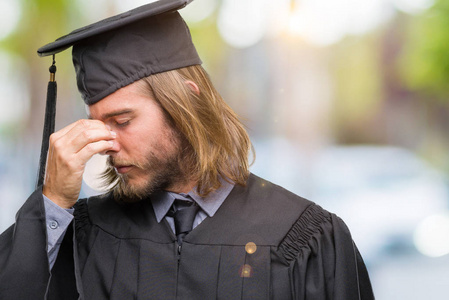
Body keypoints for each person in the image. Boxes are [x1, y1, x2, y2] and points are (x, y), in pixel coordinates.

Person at [0, 0, 374, 299]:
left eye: (123, 121)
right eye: (98, 124)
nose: (106, 145)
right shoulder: (85, 234)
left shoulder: (306, 238)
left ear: (185, 107)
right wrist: (52, 202)